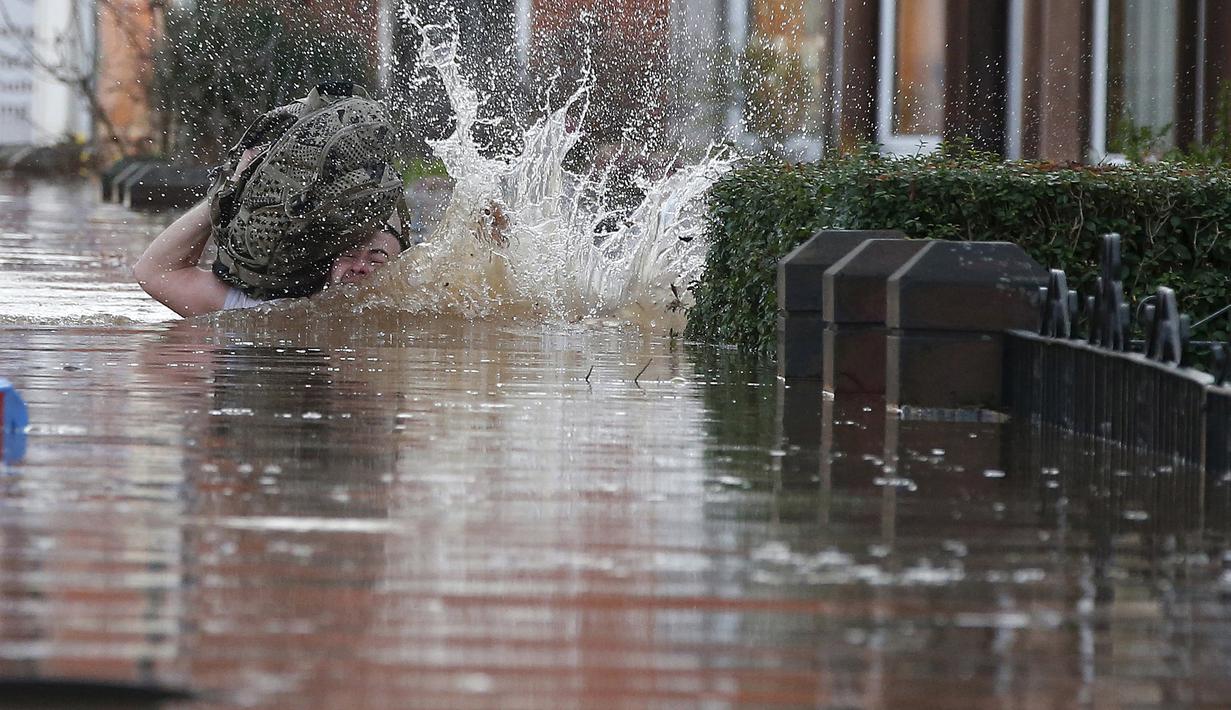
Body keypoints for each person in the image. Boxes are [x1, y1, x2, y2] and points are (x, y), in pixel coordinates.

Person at [133, 199, 404, 316]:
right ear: (325, 259)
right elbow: (155, 272)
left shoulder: (417, 317)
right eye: (348, 255)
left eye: (376, 260)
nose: (359, 267)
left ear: (402, 265)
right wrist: (224, 194)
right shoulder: (266, 308)